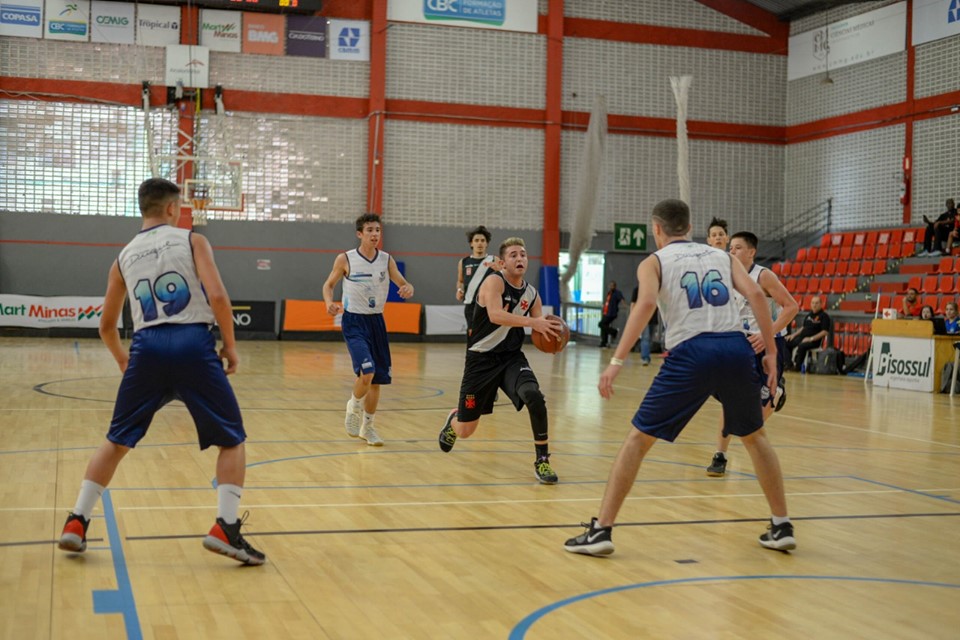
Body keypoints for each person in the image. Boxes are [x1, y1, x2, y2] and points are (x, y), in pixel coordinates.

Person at [563, 199, 795, 556]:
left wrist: (617, 360)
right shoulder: (722, 256)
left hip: (691, 352)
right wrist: (772, 353)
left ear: (656, 229)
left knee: (637, 440)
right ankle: (782, 525)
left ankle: (602, 530)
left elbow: (645, 305)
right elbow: (755, 296)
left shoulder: (654, 261)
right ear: (690, 227)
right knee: (755, 436)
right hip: (735, 348)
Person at [57, 178, 265, 565]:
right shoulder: (192, 240)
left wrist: (124, 360)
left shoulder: (123, 257)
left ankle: (77, 520)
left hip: (146, 348)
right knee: (232, 439)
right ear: (172, 208)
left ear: (143, 208)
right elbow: (218, 296)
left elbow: (106, 326)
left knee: (116, 440)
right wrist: (231, 346)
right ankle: (225, 527)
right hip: (192, 343)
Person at [438, 237, 564, 484]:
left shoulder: (532, 294)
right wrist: (534, 322)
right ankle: (453, 421)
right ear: (503, 263)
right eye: (513, 255)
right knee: (466, 430)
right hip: (481, 360)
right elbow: (495, 315)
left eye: (523, 254)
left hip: (510, 358)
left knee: (534, 396)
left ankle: (542, 460)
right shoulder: (494, 282)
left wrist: (552, 339)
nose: (520, 258)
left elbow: (540, 329)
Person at [707, 231, 799, 477]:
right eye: (731, 247)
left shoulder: (763, 275)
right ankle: (719, 455)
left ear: (751, 252)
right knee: (730, 401)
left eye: (737, 247)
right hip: (739, 344)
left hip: (767, 344)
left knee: (757, 412)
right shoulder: (727, 276)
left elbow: (791, 307)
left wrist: (766, 332)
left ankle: (776, 393)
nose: (732, 251)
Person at [323, 213, 415, 446]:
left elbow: (402, 282)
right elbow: (329, 285)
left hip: (377, 322)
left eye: (378, 230)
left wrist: (408, 287)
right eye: (370, 230)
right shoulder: (346, 259)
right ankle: (353, 406)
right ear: (359, 234)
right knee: (367, 372)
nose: (375, 234)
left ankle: (368, 428)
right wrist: (328, 302)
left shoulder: (386, 260)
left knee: (376, 380)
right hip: (354, 321)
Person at [456, 225, 498, 331]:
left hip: (489, 305)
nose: (480, 243)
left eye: (483, 240)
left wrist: (501, 271)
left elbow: (505, 280)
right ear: (471, 243)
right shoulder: (464, 262)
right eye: (476, 240)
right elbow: (460, 281)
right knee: (472, 334)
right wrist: (459, 290)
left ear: (487, 243)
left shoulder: (494, 260)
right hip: (471, 305)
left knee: (489, 335)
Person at [785, 296, 831, 371]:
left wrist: (810, 339)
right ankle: (789, 364)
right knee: (786, 342)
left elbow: (824, 332)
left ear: (821, 304)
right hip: (802, 338)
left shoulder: (824, 316)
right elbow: (803, 327)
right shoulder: (809, 315)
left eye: (816, 303)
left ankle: (797, 367)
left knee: (802, 346)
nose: (814, 305)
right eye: (813, 303)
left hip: (814, 341)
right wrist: (793, 335)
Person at [629, 285, 653, 365]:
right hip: (642, 317)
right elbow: (633, 303)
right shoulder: (637, 289)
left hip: (653, 318)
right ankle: (645, 358)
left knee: (650, 338)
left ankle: (646, 356)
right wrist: (633, 317)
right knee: (645, 337)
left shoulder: (654, 288)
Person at [598, 280, 625, 348]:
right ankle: (604, 342)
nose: (610, 287)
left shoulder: (617, 293)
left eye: (612, 286)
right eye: (610, 286)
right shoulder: (609, 293)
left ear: (615, 286)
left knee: (601, 324)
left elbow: (622, 299)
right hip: (606, 312)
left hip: (611, 313)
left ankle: (614, 331)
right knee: (604, 327)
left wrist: (625, 306)